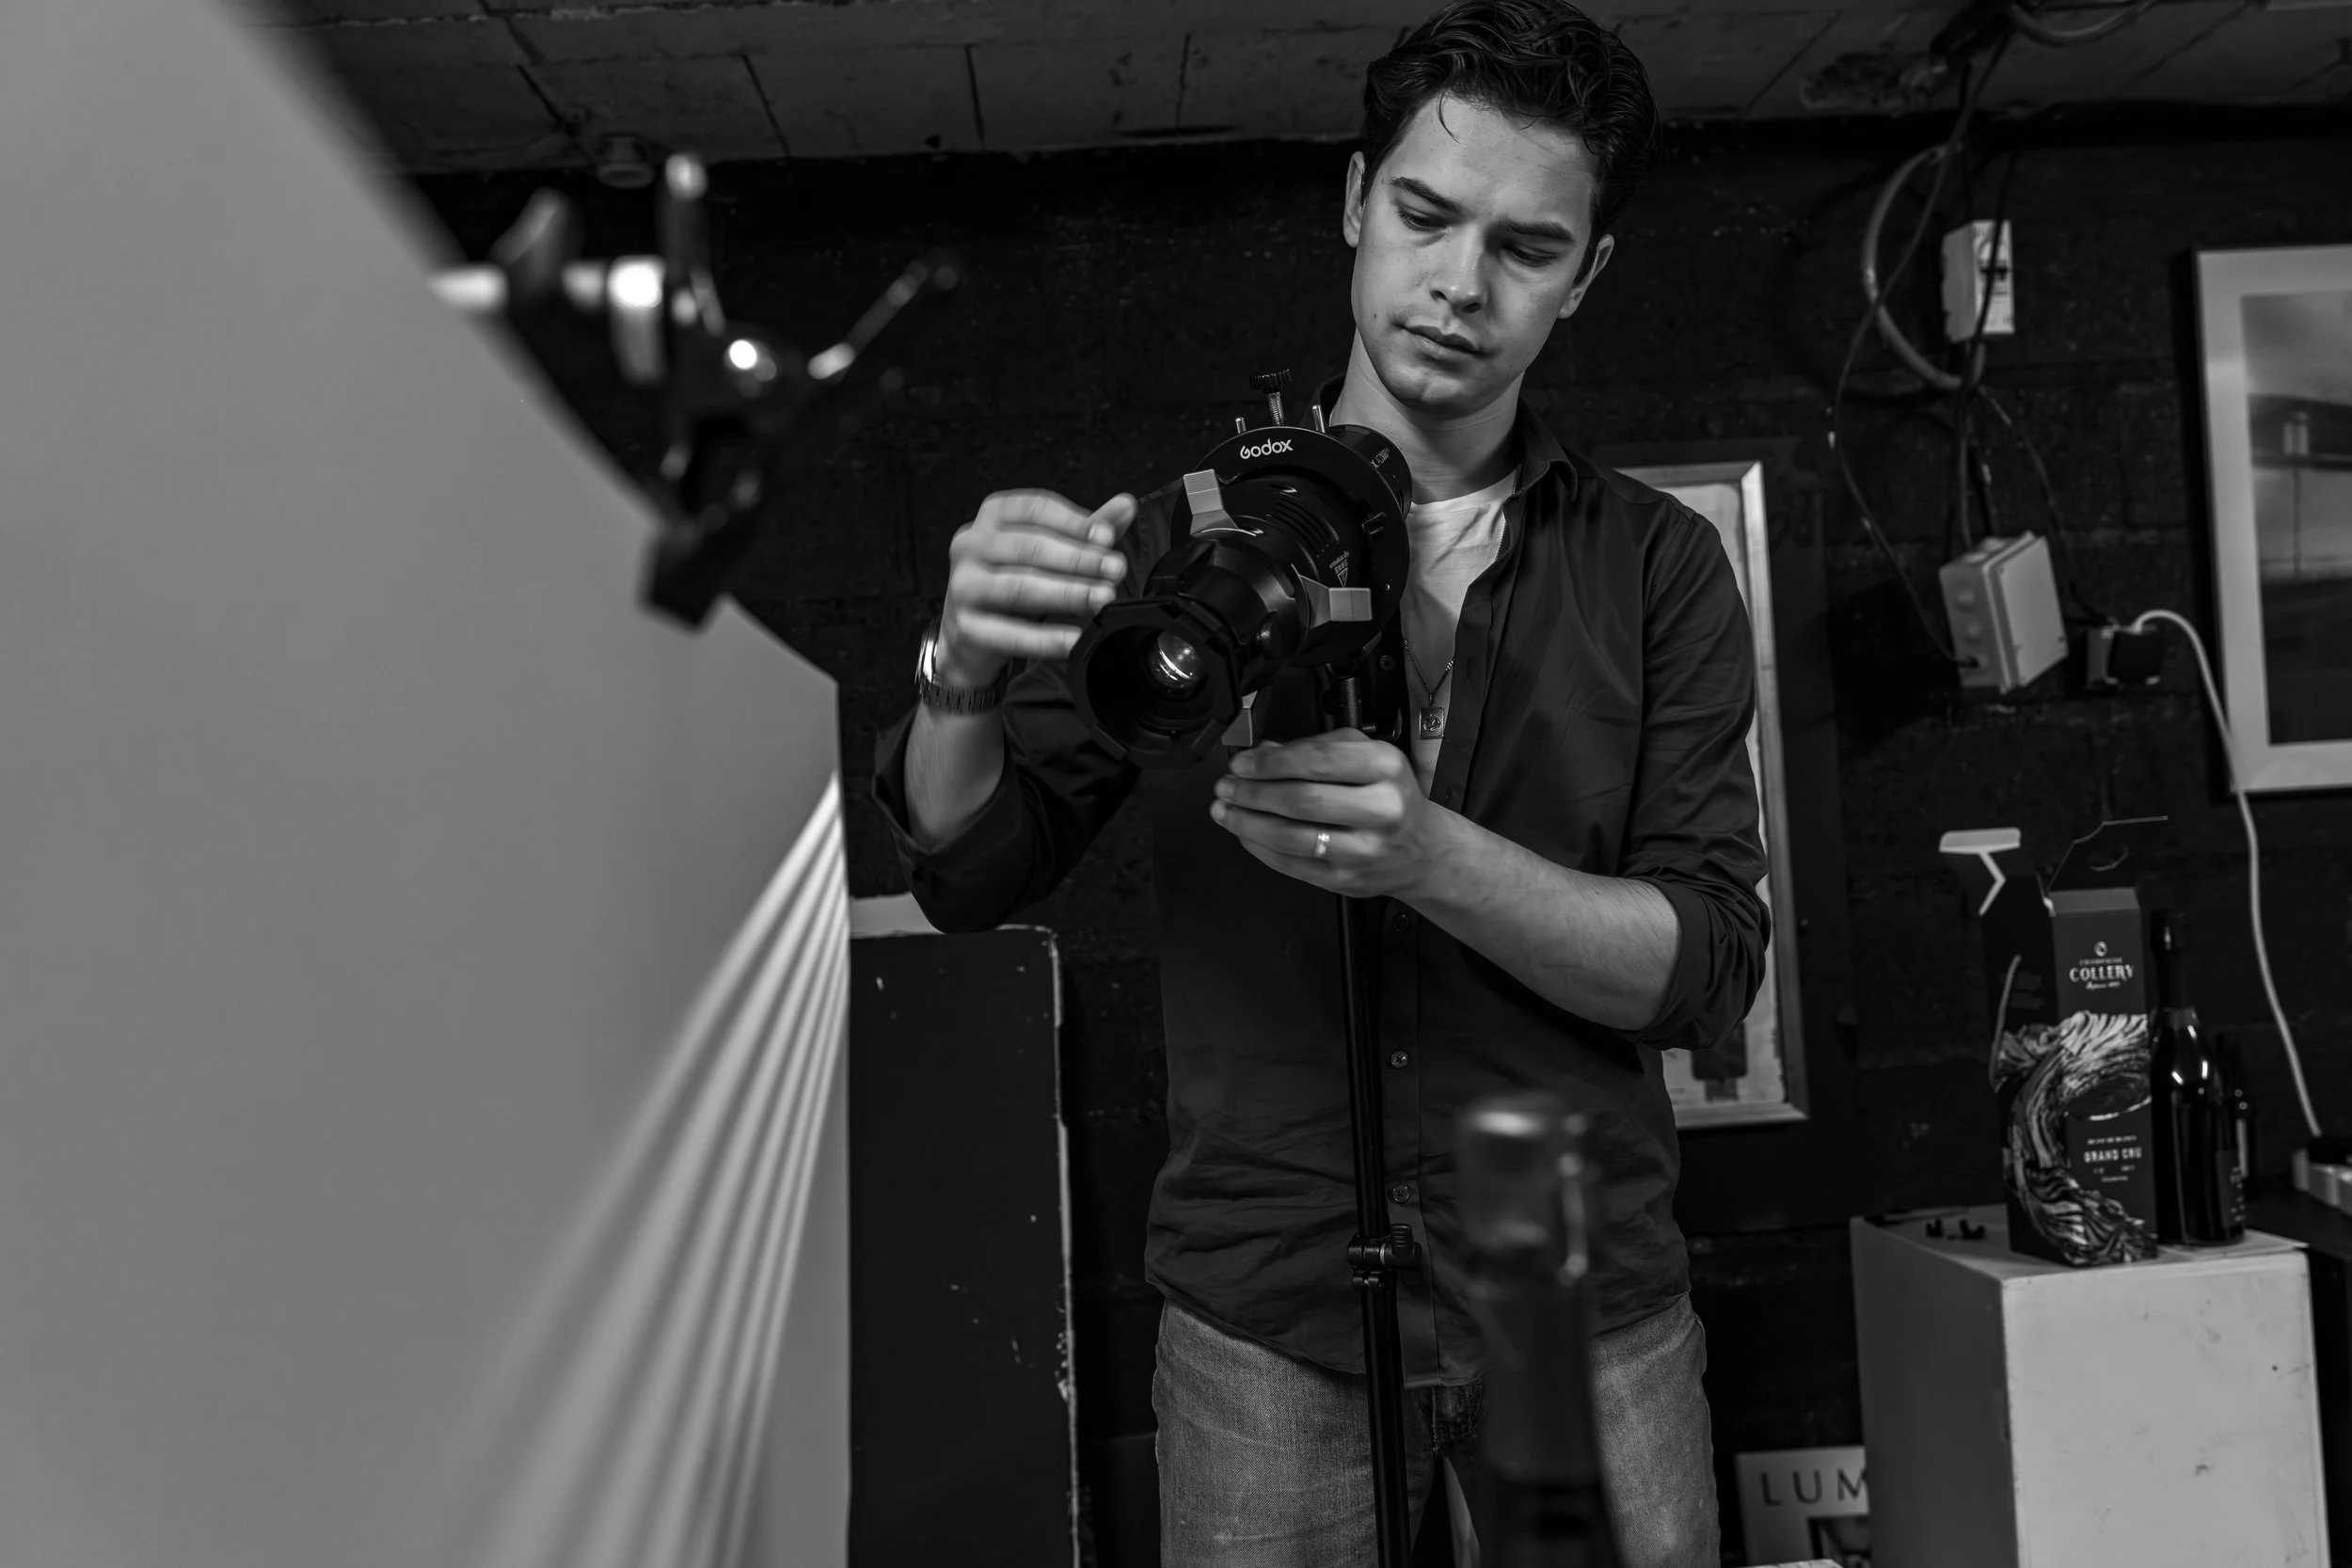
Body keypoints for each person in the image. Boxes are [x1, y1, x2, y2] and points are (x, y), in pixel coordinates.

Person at [870, 3, 1769, 1563]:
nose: (1459, 284)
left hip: (1562, 1285)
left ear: (1587, 276)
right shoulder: (1179, 540)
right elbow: (975, 867)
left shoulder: (1655, 565)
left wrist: (1431, 857)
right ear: (1354, 200)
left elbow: (1701, 964)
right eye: (1425, 215)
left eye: (1527, 247)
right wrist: (955, 668)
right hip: (1265, 1301)